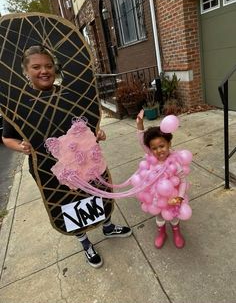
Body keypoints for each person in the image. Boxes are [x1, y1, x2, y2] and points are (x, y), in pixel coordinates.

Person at [2, 45, 132, 268]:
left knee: (100, 193)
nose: (44, 71)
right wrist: (21, 146)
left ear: (55, 68)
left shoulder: (70, 94)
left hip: (84, 162)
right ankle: (85, 243)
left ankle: (108, 226)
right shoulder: (18, 104)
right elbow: (7, 137)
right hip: (50, 168)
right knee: (68, 204)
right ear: (26, 71)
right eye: (36, 67)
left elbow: (87, 124)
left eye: (48, 66)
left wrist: (96, 134)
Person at [136, 109, 189, 249]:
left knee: (174, 216)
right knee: (159, 216)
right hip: (156, 197)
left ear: (169, 144)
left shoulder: (175, 164)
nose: (159, 150)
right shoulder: (152, 158)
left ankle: (176, 232)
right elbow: (142, 143)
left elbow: (183, 181)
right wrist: (139, 127)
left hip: (172, 197)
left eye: (162, 146)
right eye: (154, 148)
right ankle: (162, 233)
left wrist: (180, 197)